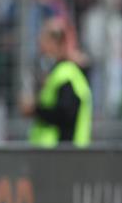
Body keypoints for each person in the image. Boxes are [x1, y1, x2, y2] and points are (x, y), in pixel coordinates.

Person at [25, 18, 92, 147]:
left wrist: (35, 110)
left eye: (44, 38)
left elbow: (65, 114)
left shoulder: (66, 74)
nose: (40, 42)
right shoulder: (59, 72)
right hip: (57, 155)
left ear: (56, 42)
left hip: (62, 155)